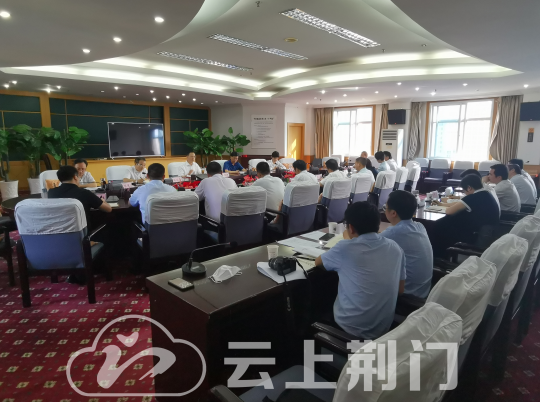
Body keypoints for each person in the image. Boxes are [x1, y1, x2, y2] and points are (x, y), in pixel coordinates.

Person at [314, 202, 405, 340]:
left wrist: (346, 240)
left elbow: (318, 262)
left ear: (350, 228)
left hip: (350, 331)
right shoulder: (395, 247)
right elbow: (400, 290)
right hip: (384, 330)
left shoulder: (345, 248)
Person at [432, 174, 500, 257]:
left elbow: (449, 211)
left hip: (477, 235)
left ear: (469, 188)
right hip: (487, 232)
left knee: (442, 227)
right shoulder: (485, 193)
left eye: (464, 191)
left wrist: (444, 205)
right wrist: (443, 204)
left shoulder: (474, 197)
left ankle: (440, 256)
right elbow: (460, 203)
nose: (465, 194)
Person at [382, 191, 433, 298]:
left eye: (385, 208)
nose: (384, 210)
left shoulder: (393, 233)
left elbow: (367, 246)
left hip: (408, 296)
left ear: (393, 213)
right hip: (424, 291)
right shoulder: (419, 226)